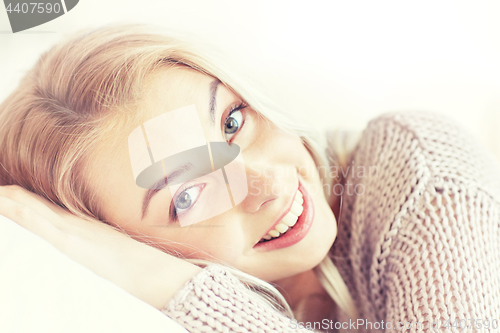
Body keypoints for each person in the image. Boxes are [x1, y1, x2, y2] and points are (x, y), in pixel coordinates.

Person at [0, 24, 499, 333]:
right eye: (188, 194)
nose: (263, 184)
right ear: (123, 243)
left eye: (232, 122)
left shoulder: (420, 176)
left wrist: (171, 285)